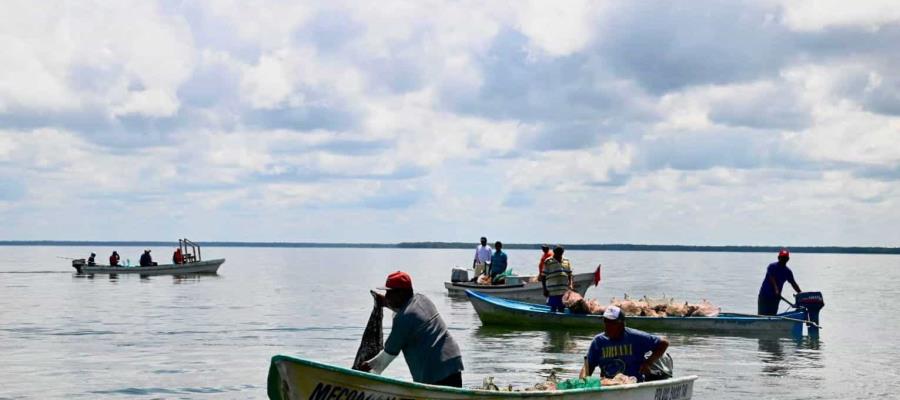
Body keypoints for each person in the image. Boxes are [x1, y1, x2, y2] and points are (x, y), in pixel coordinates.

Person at [361, 271, 464, 387]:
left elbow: (388, 355)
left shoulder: (403, 319)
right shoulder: (422, 299)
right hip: (452, 361)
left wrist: (366, 368)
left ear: (401, 294)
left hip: (434, 369)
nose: (387, 296)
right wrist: (385, 303)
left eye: (389, 293)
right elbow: (407, 312)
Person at [580, 306, 670, 382]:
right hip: (609, 385)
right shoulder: (598, 341)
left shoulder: (635, 337)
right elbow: (588, 366)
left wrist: (648, 363)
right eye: (605, 322)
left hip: (634, 384)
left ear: (621, 324)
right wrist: (582, 382)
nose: (607, 326)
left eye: (611, 323)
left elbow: (663, 343)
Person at [757, 249, 802, 315]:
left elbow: (793, 283)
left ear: (788, 259)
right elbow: (772, 279)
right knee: (762, 316)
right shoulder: (772, 266)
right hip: (765, 296)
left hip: (775, 299)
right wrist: (776, 290)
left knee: (772, 316)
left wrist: (801, 294)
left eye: (785, 258)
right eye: (782, 257)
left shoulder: (788, 272)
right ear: (778, 258)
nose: (783, 259)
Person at [542, 245, 573, 312]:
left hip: (564, 290)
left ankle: (561, 319)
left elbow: (569, 274)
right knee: (553, 307)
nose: (559, 254)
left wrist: (570, 284)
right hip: (553, 290)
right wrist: (544, 289)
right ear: (554, 252)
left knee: (562, 307)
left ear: (563, 252)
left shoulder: (566, 261)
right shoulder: (548, 261)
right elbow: (543, 276)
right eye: (557, 252)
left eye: (560, 252)